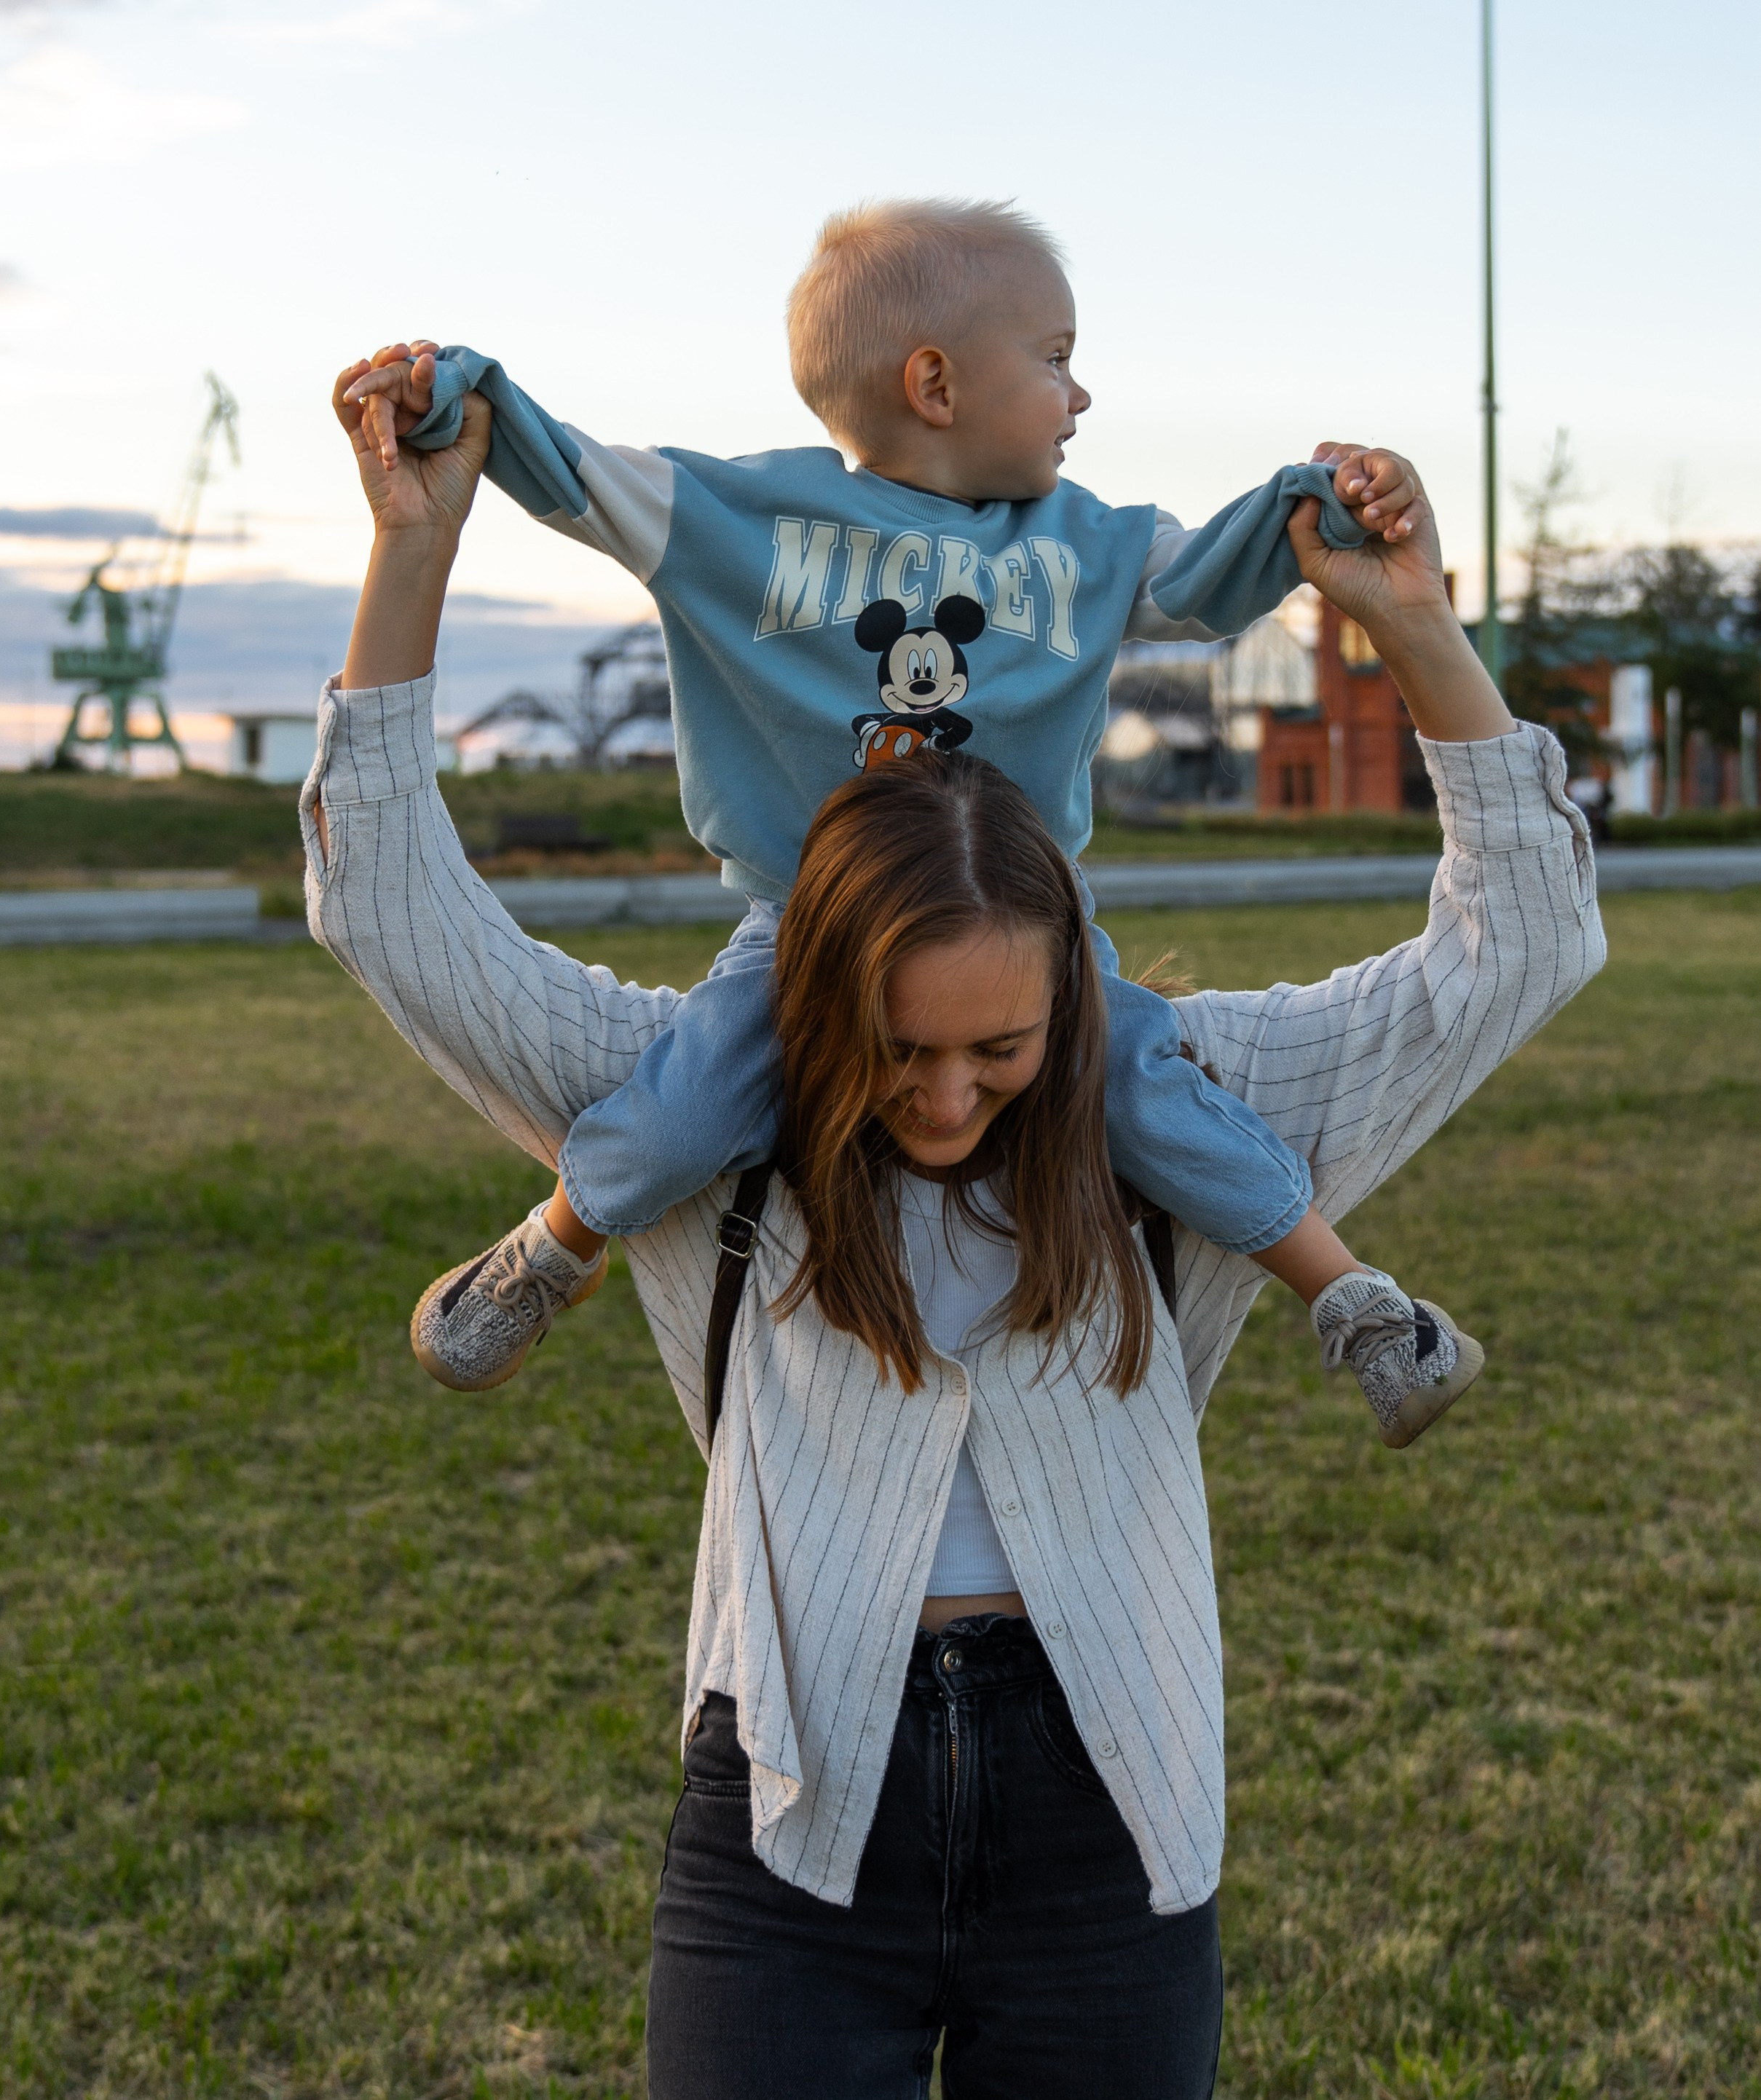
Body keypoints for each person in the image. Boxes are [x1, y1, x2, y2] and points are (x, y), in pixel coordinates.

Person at [303, 376, 1604, 2098]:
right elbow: (394, 911)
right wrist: (413, 548)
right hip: (789, 1805)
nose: (943, 1094)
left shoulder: (1194, 1100)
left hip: (1110, 1801)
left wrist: (1415, 626)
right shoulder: (695, 1102)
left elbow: (1520, 945)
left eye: (1003, 1048)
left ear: (1074, 996)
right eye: (892, 1046)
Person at [339, 197, 1481, 1445]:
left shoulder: (1088, 542)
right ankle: (550, 1251)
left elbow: (1214, 579)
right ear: (935, 383)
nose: (1080, 397)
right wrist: (452, 394)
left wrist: (1322, 499)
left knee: (1145, 1086)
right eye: (1055, 360)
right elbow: (566, 468)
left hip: (1030, 936)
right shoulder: (734, 516)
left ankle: (1359, 1304)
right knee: (686, 1103)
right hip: (808, 935)